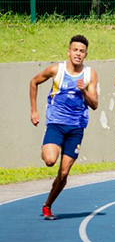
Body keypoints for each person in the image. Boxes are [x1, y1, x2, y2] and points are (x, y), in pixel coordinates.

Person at [29, 35, 99, 220]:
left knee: (64, 172)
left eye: (81, 51)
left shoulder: (89, 74)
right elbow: (34, 82)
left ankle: (48, 205)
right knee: (50, 160)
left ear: (85, 54)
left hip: (76, 129)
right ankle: (48, 146)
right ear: (69, 52)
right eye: (75, 50)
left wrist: (83, 90)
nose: (78, 54)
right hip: (56, 125)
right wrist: (34, 111)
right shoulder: (56, 70)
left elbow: (95, 104)